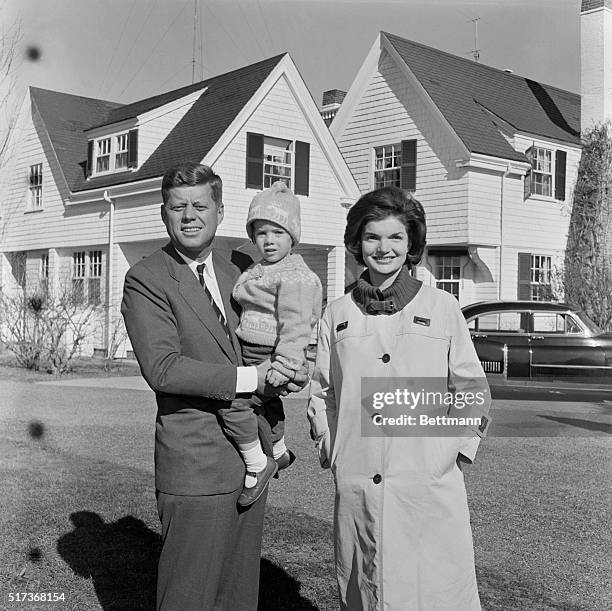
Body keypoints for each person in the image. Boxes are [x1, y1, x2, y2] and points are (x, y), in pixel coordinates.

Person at [121, 162, 307, 611]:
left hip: (252, 460)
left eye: (200, 205)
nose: (189, 216)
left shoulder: (243, 269)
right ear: (164, 214)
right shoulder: (146, 278)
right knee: (189, 596)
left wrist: (294, 366)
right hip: (196, 464)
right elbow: (164, 368)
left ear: (220, 211)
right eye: (177, 206)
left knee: (238, 593)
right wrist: (252, 379)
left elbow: (283, 323)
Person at [307, 186, 491, 610]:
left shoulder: (443, 308)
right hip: (357, 482)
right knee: (365, 589)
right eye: (372, 237)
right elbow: (323, 392)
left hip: (426, 484)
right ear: (357, 241)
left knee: (431, 591)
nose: (383, 248)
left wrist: (452, 453)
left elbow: (471, 389)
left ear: (411, 245)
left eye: (395, 237)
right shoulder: (336, 314)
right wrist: (333, 450)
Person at [220, 180, 322, 507]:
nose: (269, 240)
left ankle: (257, 464)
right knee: (266, 406)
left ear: (292, 237)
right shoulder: (259, 268)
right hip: (249, 349)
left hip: (271, 353)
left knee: (233, 404)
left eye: (278, 233)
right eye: (261, 233)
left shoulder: (295, 274)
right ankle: (278, 450)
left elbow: (295, 326)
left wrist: (286, 364)